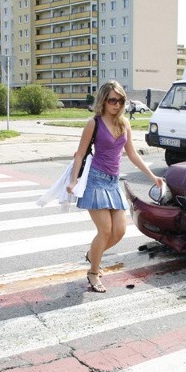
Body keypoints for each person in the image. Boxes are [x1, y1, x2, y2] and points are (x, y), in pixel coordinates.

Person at [66, 80, 162, 293]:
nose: (117, 105)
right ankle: (93, 271)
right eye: (112, 101)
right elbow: (80, 154)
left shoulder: (124, 123)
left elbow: (133, 154)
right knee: (105, 230)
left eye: (120, 101)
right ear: (103, 100)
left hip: (112, 182)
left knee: (119, 231)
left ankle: (93, 254)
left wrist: (152, 176)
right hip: (95, 180)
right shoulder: (94, 123)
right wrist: (73, 180)